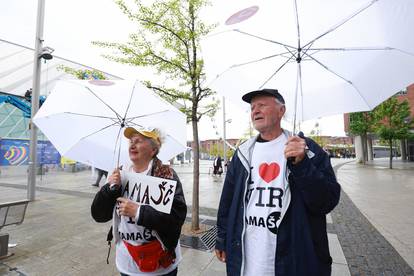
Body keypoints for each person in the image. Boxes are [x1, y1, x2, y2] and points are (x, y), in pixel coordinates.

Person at [215, 89, 340, 276]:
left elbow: (326, 201)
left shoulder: (307, 149)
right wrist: (222, 238)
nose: (255, 111)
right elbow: (227, 202)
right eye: (252, 107)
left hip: (294, 260)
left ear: (281, 111)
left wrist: (302, 164)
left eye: (262, 105)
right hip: (249, 260)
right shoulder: (243, 153)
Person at [91, 127, 187, 276]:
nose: (132, 145)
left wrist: (139, 212)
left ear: (153, 150)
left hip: (160, 264)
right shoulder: (120, 173)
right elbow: (99, 215)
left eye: (138, 141)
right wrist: (109, 190)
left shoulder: (166, 175)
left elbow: (176, 218)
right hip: (127, 263)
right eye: (131, 141)